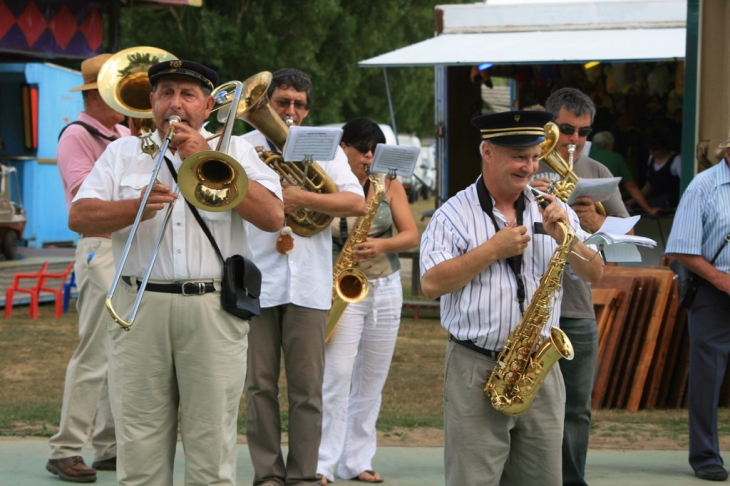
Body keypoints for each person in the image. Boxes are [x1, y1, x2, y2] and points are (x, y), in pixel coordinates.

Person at [68, 59, 284, 486]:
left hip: (212, 308)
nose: (175, 104)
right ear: (151, 103)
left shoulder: (238, 150)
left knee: (211, 444)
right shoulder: (123, 152)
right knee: (139, 441)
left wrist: (202, 155)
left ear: (207, 105)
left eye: (187, 95)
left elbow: (274, 216)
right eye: (166, 93)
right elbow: (80, 216)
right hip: (139, 305)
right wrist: (135, 207)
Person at [419, 110, 603, 486]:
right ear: (487, 152)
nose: (530, 167)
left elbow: (594, 272)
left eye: (535, 157)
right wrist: (490, 250)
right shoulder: (451, 215)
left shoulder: (552, 207)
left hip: (539, 367)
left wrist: (564, 239)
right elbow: (432, 284)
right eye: (520, 157)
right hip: (476, 366)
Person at [242, 68, 366, 486]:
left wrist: (299, 197)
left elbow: (356, 202)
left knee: (308, 388)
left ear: (308, 109)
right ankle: (267, 474)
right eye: (281, 102)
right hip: (256, 278)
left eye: (298, 104)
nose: (289, 110)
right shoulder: (243, 146)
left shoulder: (324, 148)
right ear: (268, 104)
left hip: (309, 283)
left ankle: (303, 475)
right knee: (258, 386)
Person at [531, 88, 630, 486]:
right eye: (567, 129)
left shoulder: (597, 173)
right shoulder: (524, 163)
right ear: (550, 126)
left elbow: (627, 237)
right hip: (525, 304)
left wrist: (596, 224)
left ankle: (572, 480)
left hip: (574, 306)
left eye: (583, 132)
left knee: (576, 409)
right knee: (527, 405)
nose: (574, 140)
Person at [317, 118, 419, 485]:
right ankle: (322, 464)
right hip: (339, 284)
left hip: (385, 285)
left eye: (374, 148)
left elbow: (410, 234)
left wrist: (382, 244)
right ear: (341, 148)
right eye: (361, 148)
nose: (369, 155)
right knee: (336, 376)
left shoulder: (386, 182)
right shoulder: (321, 181)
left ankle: (357, 460)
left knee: (371, 379)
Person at [47, 53, 129, 483]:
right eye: (123, 91)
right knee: (95, 351)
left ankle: (110, 446)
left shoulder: (120, 132)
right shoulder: (76, 135)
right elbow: (84, 195)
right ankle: (64, 448)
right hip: (99, 244)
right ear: (100, 93)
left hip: (126, 244)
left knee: (122, 351)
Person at [666, 139, 730, 482]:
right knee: (708, 377)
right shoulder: (703, 186)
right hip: (713, 293)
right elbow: (682, 249)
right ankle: (706, 457)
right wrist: (722, 280)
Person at [590, 130, 659, 215]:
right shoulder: (616, 157)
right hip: (605, 208)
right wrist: (649, 210)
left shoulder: (583, 155)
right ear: (611, 146)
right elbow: (631, 186)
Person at [638, 127, 681, 210]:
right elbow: (650, 184)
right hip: (655, 205)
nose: (652, 152)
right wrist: (634, 200)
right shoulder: (651, 159)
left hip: (671, 207)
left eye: (655, 149)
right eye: (650, 149)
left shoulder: (676, 160)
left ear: (664, 147)